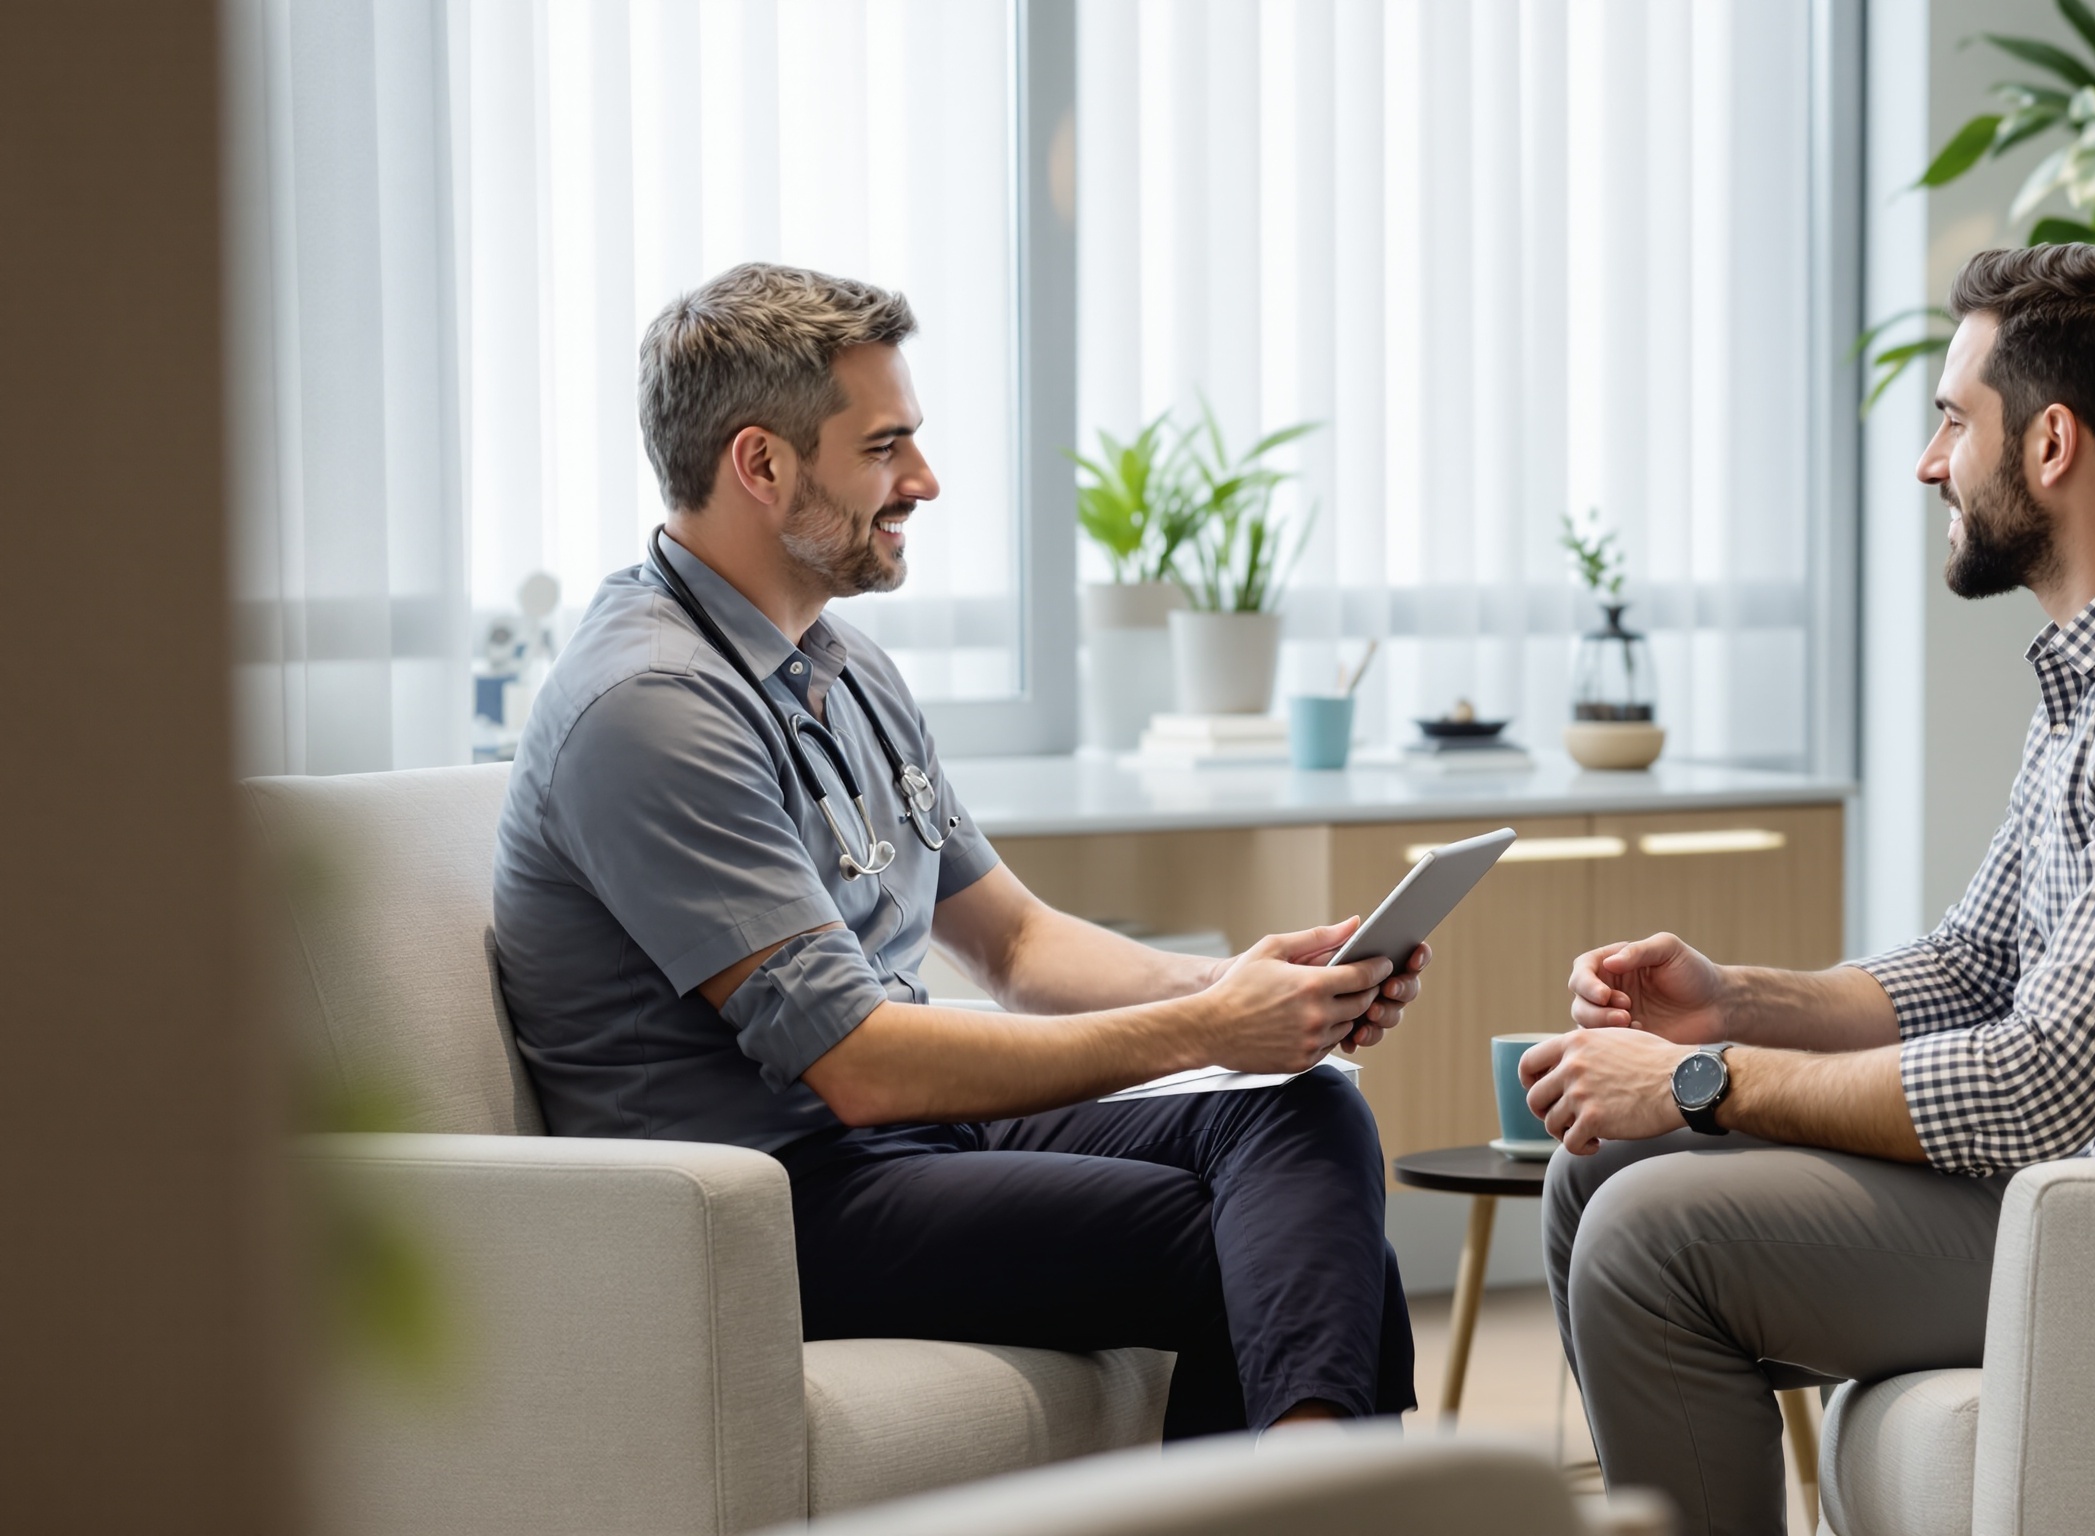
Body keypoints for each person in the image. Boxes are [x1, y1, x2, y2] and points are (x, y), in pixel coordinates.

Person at [1525, 245, 2095, 1534]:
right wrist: (1727, 1003)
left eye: (1952, 423)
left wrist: (1703, 1083)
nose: (1929, 466)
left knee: (1648, 1238)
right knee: (1594, 1177)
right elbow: (1975, 966)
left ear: (2051, 445)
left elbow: (2036, 1083)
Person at [493, 262, 1421, 1437]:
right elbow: (861, 1064)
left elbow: (1018, 943)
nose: (923, 482)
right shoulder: (649, 707)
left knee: (1302, 1109)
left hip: (900, 1140)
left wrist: (1254, 991)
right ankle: (1331, 1503)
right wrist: (1203, 1029)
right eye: (885, 448)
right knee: (1238, 1243)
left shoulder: (843, 665)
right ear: (761, 464)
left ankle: (1312, 1498)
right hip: (771, 1198)